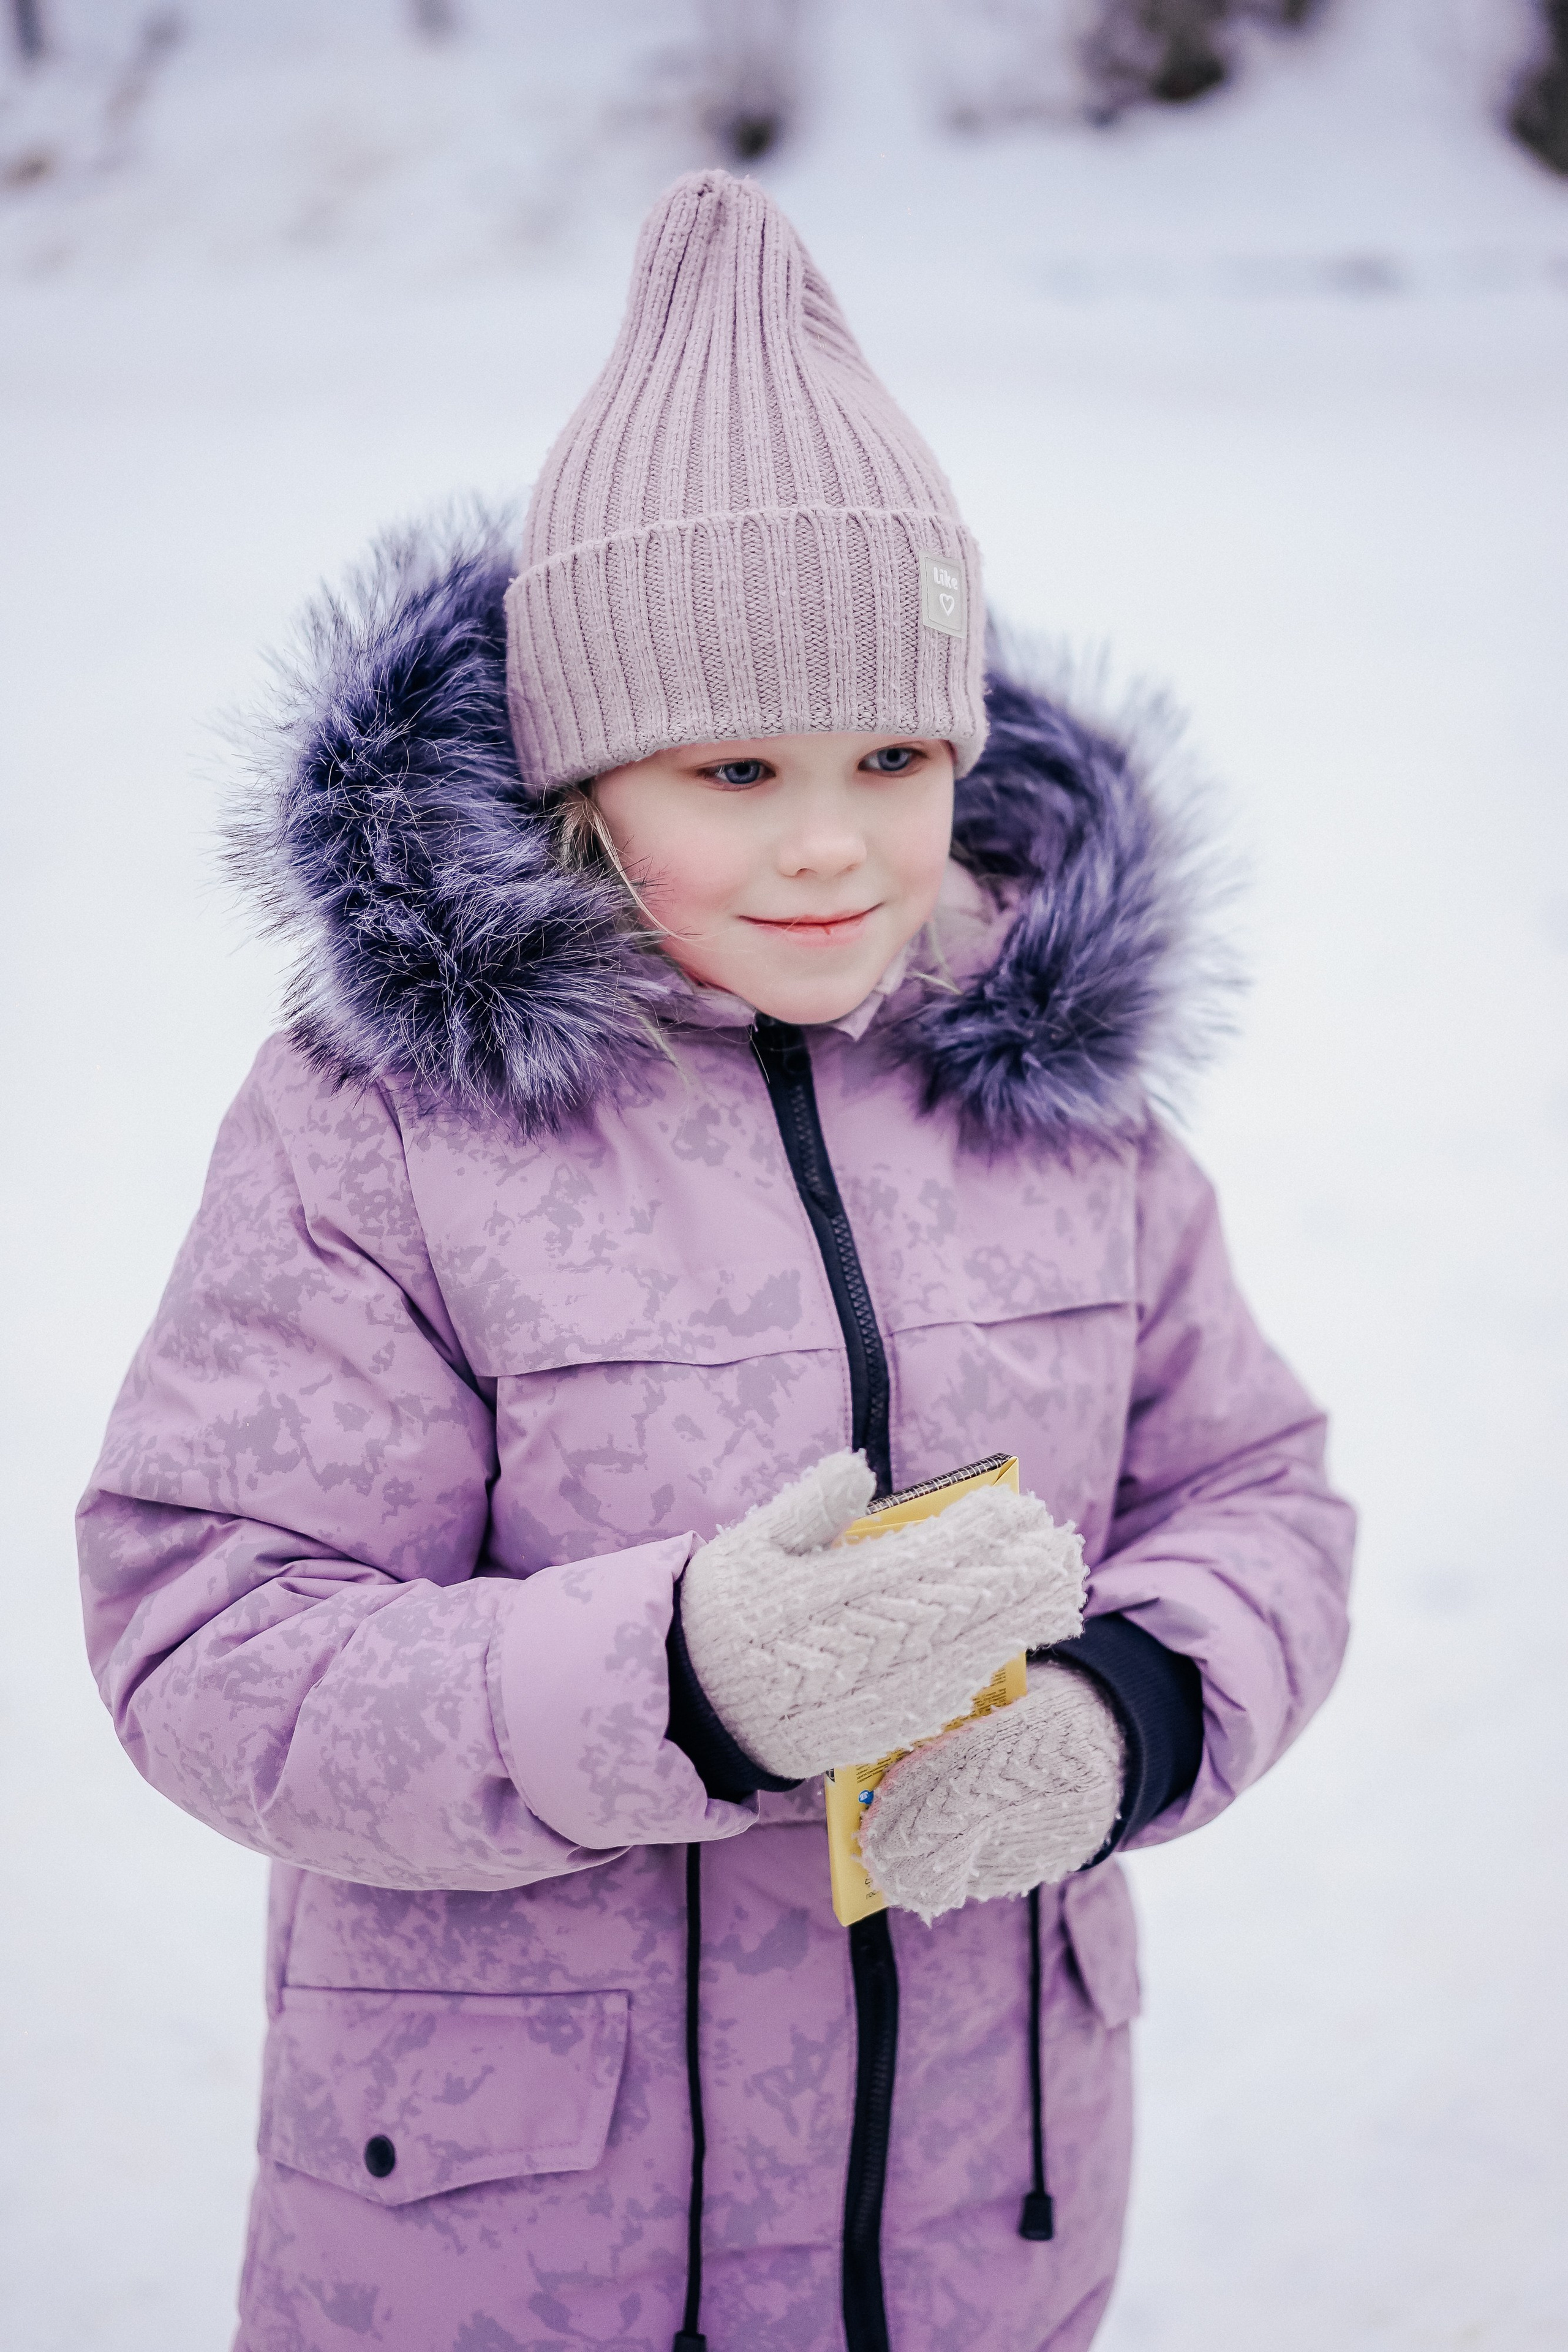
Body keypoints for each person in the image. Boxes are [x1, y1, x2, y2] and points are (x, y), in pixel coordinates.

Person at [77, 168, 1354, 2352]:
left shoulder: (1054, 1101)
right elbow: (208, 1633)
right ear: (587, 781)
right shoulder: (392, 1130)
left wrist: (1126, 1714)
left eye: (894, 755)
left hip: (975, 2225)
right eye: (736, 767)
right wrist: (674, 1684)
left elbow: (1260, 1497)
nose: (834, 838)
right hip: (510, 2243)